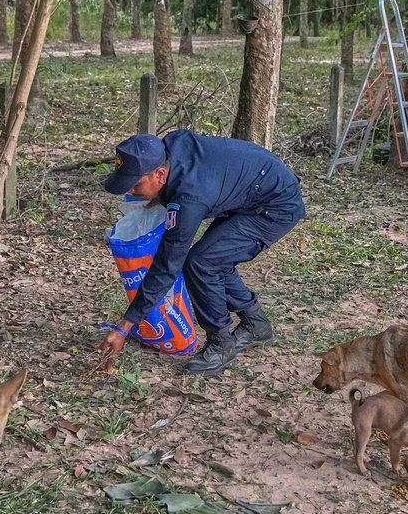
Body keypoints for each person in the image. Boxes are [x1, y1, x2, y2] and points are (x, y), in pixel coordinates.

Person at [97, 131, 306, 375]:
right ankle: (256, 324)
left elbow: (167, 266)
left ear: (160, 174)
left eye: (136, 184)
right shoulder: (170, 148)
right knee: (213, 257)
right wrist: (157, 197)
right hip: (257, 186)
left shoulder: (189, 198)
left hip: (276, 206)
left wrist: (125, 325)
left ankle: (221, 344)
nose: (131, 191)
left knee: (202, 263)